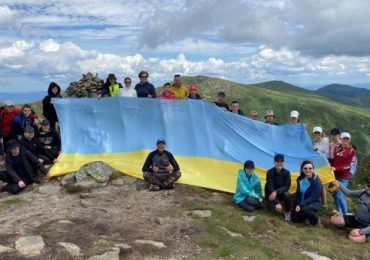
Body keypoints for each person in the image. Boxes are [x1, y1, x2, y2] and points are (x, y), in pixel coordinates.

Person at [330, 177, 370, 243]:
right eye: (368, 185)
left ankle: (367, 236)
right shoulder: (362, 192)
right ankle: (356, 229)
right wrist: (339, 184)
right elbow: (349, 193)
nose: (369, 187)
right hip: (356, 219)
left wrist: (362, 231)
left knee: (352, 239)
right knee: (333, 221)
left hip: (366, 225)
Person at [330, 132, 357, 215]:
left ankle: (345, 215)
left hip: (343, 177)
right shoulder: (337, 148)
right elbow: (334, 160)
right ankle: (339, 212)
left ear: (349, 140)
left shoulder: (352, 151)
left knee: (339, 196)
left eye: (347, 139)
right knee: (335, 194)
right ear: (340, 139)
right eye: (343, 138)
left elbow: (349, 165)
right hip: (334, 176)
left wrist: (336, 168)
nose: (345, 140)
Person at [291, 160, 323, 226]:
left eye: (310, 168)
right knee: (294, 219)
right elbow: (298, 193)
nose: (308, 170)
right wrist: (295, 205)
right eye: (305, 168)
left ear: (313, 169)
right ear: (302, 169)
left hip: (313, 203)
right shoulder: (299, 179)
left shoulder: (317, 182)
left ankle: (315, 220)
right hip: (301, 202)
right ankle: (305, 216)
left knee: (304, 209)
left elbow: (313, 198)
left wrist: (300, 205)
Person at [265, 154, 292, 220]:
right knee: (273, 209)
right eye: (277, 161)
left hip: (280, 193)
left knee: (287, 194)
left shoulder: (287, 173)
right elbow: (270, 186)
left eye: (281, 161)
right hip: (270, 193)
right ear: (274, 162)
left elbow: (287, 186)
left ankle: (287, 211)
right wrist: (277, 202)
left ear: (283, 163)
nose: (279, 163)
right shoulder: (269, 172)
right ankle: (271, 205)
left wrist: (276, 191)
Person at [312, 126, 330, 209]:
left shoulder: (325, 142)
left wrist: (316, 150)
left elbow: (326, 155)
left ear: (321, 133)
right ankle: (317, 200)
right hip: (316, 165)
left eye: (318, 133)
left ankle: (324, 204)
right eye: (315, 133)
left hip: (323, 166)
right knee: (315, 183)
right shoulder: (315, 142)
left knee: (321, 184)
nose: (317, 134)